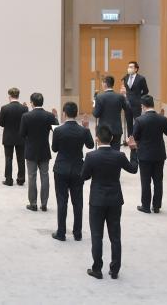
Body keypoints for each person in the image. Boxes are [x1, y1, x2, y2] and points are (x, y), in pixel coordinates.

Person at [82, 125, 138, 279]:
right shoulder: (119, 156)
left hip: (97, 200)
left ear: (97, 139)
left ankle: (97, 269)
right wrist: (133, 150)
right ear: (112, 138)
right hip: (115, 200)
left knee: (97, 235)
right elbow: (133, 169)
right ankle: (114, 270)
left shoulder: (91, 156)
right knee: (115, 236)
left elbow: (84, 176)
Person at [51, 102, 94, 242]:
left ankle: (61, 233)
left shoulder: (58, 131)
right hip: (77, 169)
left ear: (64, 113)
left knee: (62, 201)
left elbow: (55, 149)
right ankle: (77, 233)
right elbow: (91, 145)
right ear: (76, 114)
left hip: (61, 168)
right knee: (78, 202)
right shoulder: (83, 131)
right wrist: (87, 128)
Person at [131, 95, 167, 214]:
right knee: (158, 180)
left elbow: (135, 136)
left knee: (145, 181)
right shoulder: (162, 119)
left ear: (143, 106)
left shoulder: (139, 120)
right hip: (159, 153)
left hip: (145, 154)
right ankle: (157, 206)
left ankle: (146, 206)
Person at [19, 93, 58, 211]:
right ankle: (44, 204)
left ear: (32, 103)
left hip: (31, 150)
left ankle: (33, 203)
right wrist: (55, 117)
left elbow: (22, 134)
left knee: (32, 177)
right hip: (44, 150)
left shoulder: (26, 116)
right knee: (45, 177)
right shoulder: (49, 115)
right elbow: (57, 130)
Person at [0, 88, 29, 186]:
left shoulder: (4, 108)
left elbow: (0, 123)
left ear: (9, 96)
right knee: (21, 158)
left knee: (8, 158)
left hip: (8, 137)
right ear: (18, 96)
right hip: (21, 137)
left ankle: (8, 180)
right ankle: (21, 179)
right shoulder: (24, 108)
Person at [92, 76, 133, 148]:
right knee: (116, 152)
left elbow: (96, 114)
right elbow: (128, 109)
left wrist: (94, 107)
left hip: (104, 131)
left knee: (104, 153)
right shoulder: (120, 97)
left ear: (105, 84)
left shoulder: (99, 97)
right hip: (116, 129)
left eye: (102, 83)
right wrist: (125, 96)